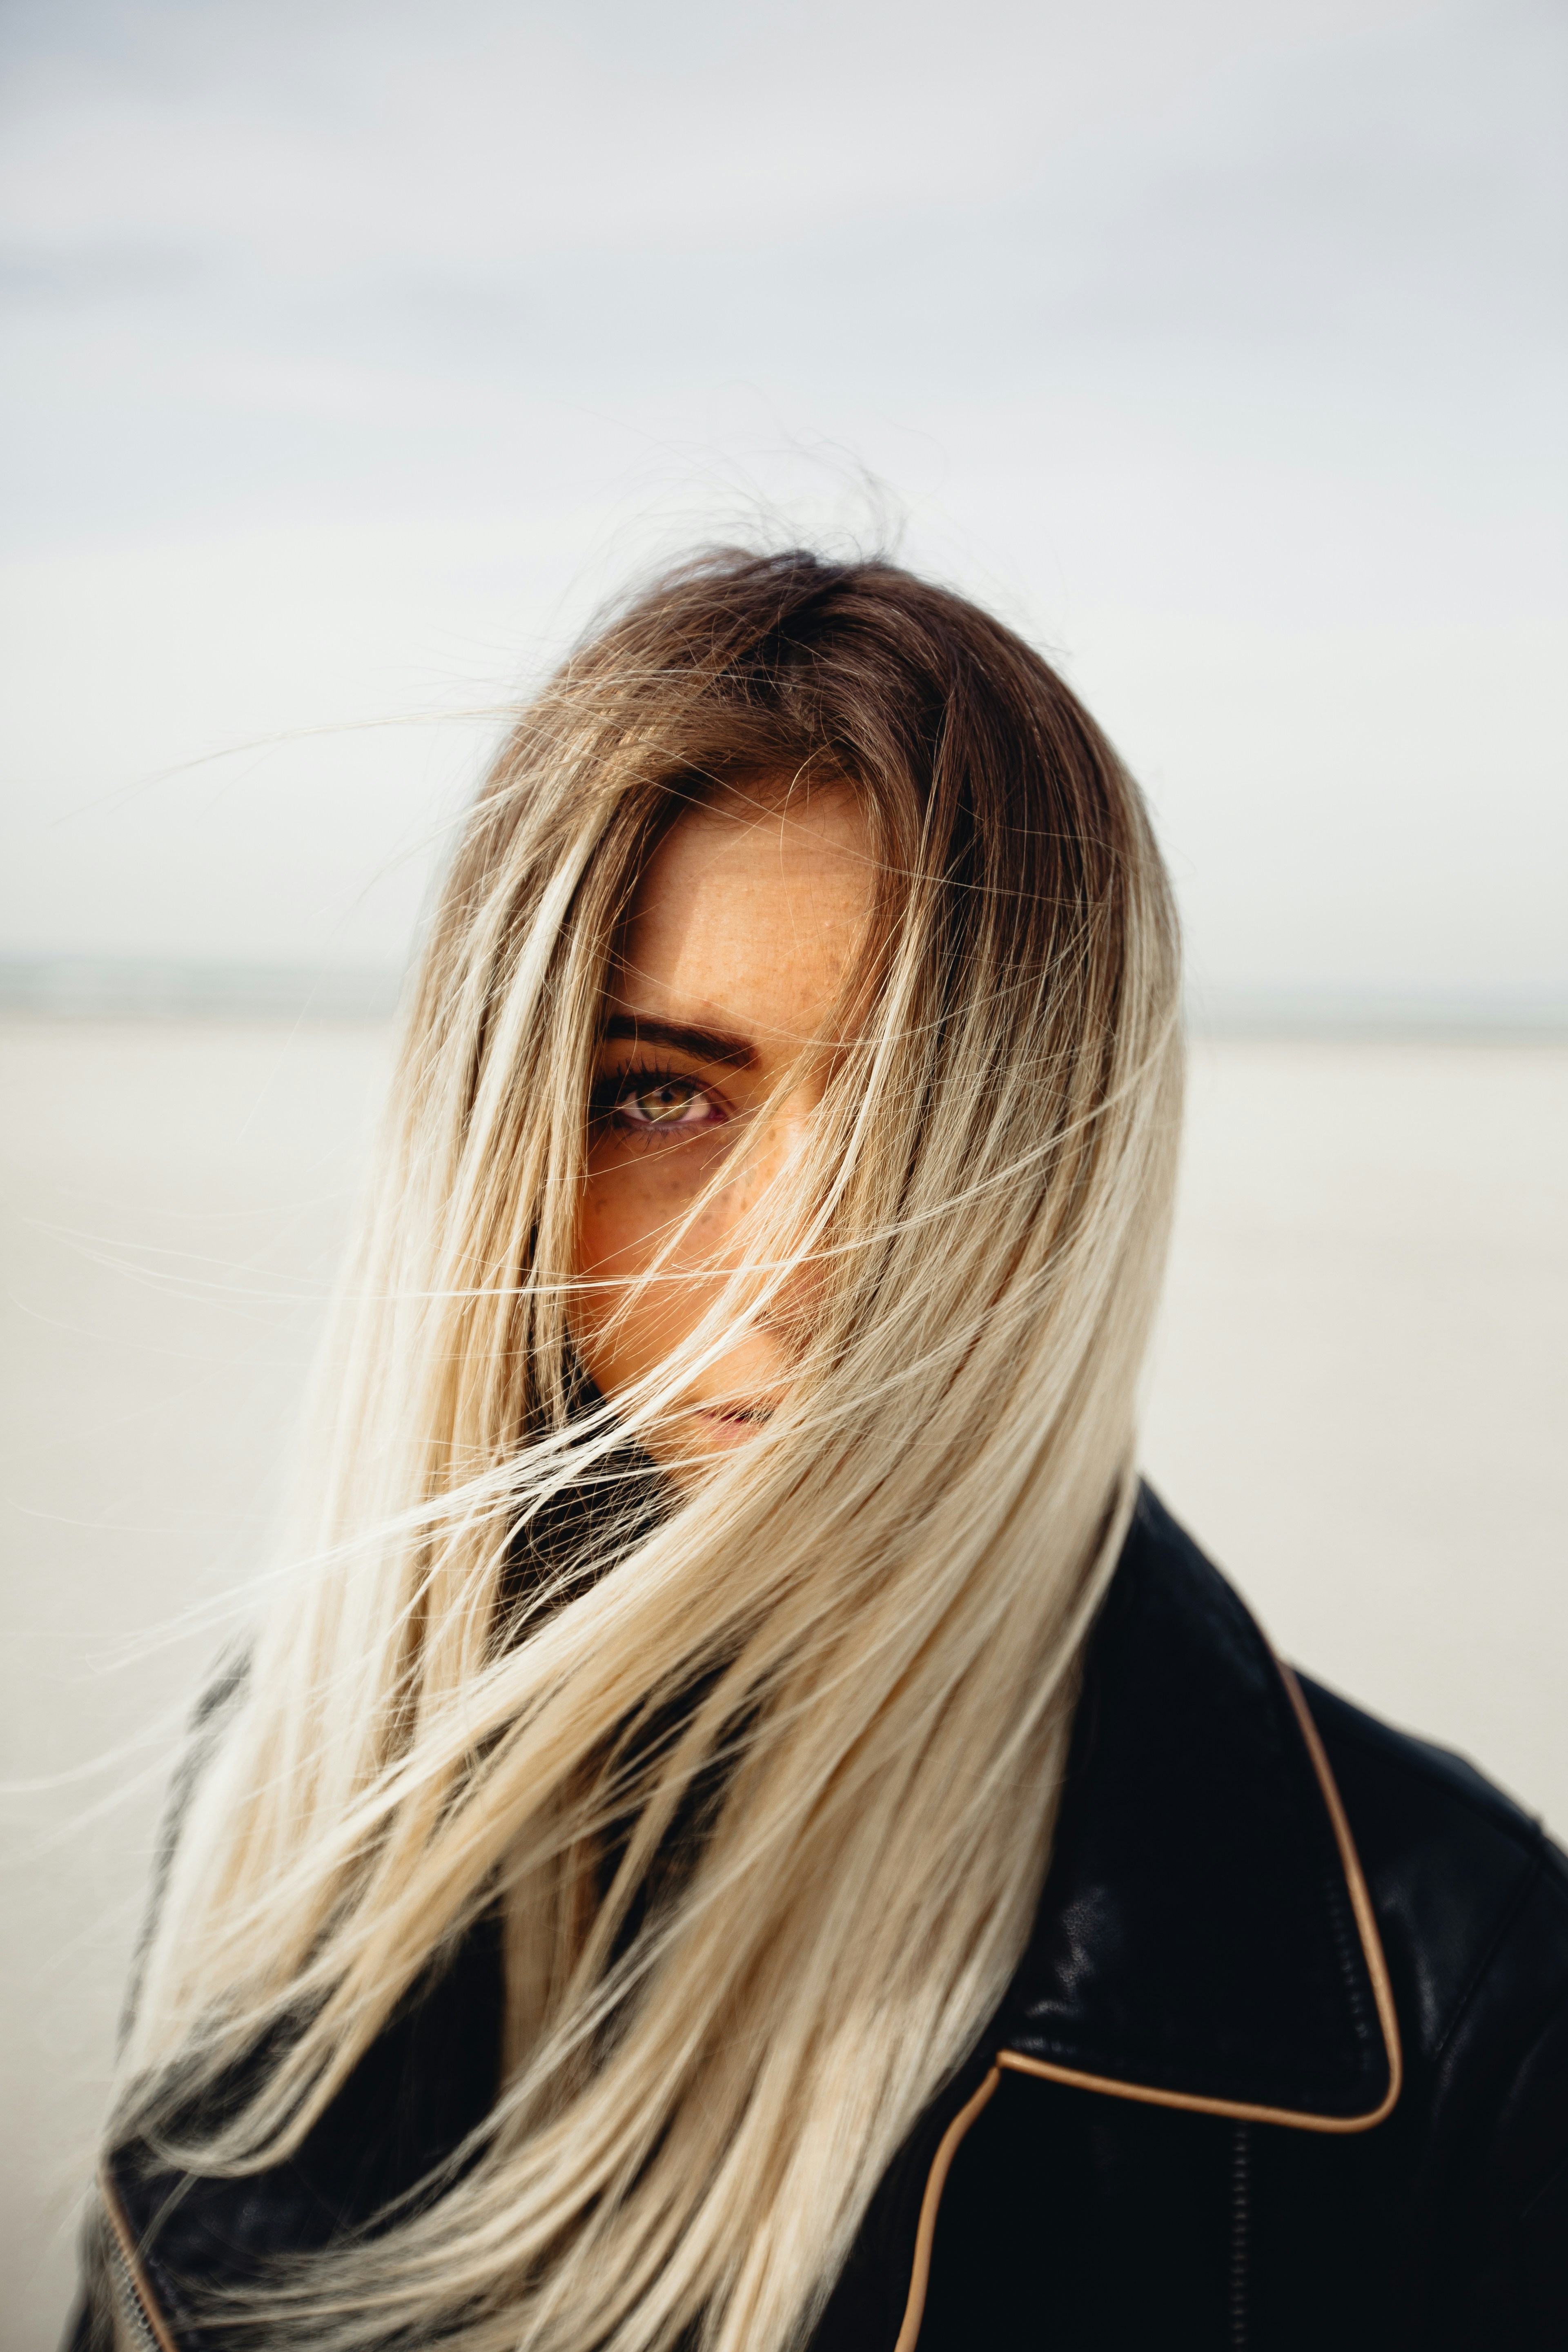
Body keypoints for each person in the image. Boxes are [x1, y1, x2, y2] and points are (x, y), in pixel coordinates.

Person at [69, 551, 1567, 2352]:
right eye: (659, 1095)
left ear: (1079, 1162)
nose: (789, 1282)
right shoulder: (303, 1782)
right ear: (498, 1144)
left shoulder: (1449, 1992)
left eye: (925, 1120)